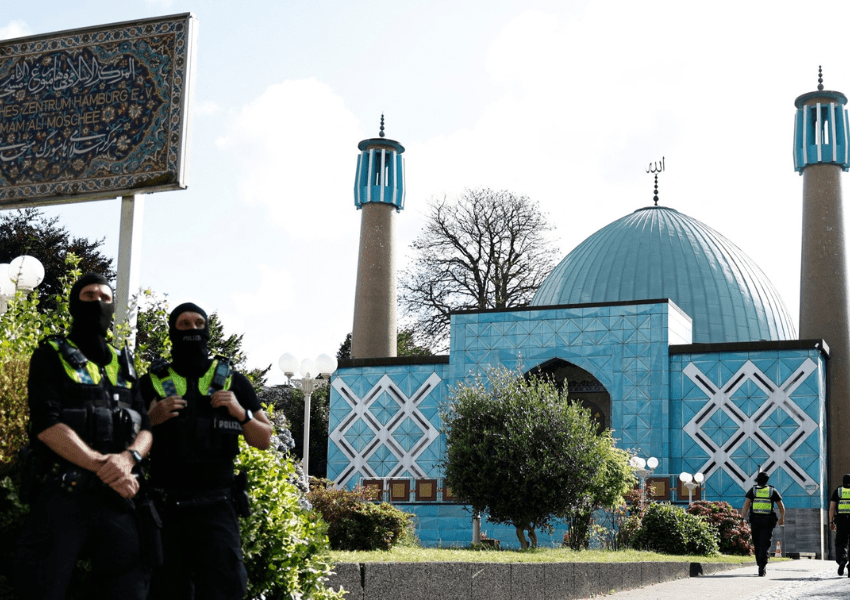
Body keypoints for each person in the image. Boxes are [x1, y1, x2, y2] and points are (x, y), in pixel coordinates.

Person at [14, 273, 152, 600]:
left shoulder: (125, 362)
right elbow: (46, 426)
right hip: (64, 494)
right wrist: (105, 464)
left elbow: (145, 426)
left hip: (118, 498)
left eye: (105, 297)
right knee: (42, 589)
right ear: (76, 303)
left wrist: (127, 459)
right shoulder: (51, 352)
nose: (98, 303)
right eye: (89, 296)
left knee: (131, 590)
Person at [140, 302, 273, 600]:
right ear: (172, 330)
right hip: (165, 510)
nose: (193, 330)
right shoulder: (150, 383)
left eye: (199, 324)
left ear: (208, 330)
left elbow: (264, 438)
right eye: (184, 324)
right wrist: (152, 419)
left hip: (218, 508)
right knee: (166, 592)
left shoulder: (232, 381)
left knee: (226, 590)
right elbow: (126, 444)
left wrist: (241, 413)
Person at [741, 471, 785, 577]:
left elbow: (746, 505)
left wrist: (741, 518)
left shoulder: (753, 490)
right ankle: (762, 565)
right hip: (767, 522)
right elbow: (781, 506)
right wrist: (782, 517)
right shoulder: (772, 490)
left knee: (757, 543)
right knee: (765, 543)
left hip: (755, 521)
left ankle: (760, 564)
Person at [829, 474, 850, 576]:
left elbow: (832, 508)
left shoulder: (838, 491)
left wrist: (831, 522)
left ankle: (842, 560)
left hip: (841, 521)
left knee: (840, 543)